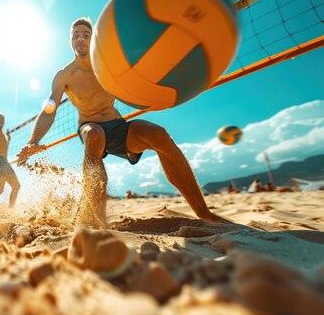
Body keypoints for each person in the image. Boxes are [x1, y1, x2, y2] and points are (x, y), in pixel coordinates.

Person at [18, 18, 227, 228]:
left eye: (86, 35)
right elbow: (49, 109)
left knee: (159, 134)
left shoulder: (107, 65)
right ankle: (98, 222)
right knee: (94, 135)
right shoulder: (64, 75)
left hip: (118, 125)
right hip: (90, 127)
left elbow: (139, 72)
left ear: (92, 40)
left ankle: (203, 212)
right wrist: (32, 141)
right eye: (76, 35)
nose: (81, 38)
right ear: (70, 41)